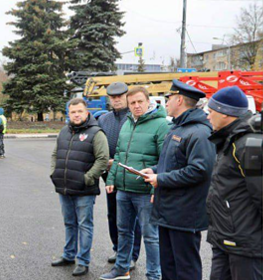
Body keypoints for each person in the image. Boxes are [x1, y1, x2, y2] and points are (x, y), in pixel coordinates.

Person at [141, 80, 216, 280]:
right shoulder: (178, 128)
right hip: (169, 210)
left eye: (169, 98)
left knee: (185, 268)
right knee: (169, 265)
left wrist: (161, 179)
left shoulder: (199, 132)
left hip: (184, 213)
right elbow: (175, 163)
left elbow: (199, 170)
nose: (166, 102)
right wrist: (155, 171)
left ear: (179, 100)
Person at [100, 87, 169, 280]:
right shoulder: (128, 124)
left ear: (148, 102)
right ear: (128, 105)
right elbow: (120, 155)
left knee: (151, 236)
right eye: (133, 103)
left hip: (146, 191)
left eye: (140, 101)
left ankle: (154, 275)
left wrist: (158, 181)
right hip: (123, 189)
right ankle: (122, 269)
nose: (136, 106)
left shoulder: (161, 125)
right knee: (124, 231)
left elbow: (166, 159)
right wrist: (112, 179)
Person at [206, 87, 262, 280]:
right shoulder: (230, 140)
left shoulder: (247, 144)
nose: (208, 117)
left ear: (225, 113)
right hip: (225, 239)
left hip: (245, 244)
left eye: (210, 112)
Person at [50, 98, 109, 277]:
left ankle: (83, 261)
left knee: (84, 225)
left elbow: (103, 159)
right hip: (64, 187)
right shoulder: (64, 131)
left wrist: (88, 178)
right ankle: (68, 255)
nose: (76, 115)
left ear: (86, 112)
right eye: (73, 112)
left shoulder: (96, 133)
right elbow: (55, 154)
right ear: (69, 113)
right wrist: (54, 173)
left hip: (84, 190)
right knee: (69, 223)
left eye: (79, 111)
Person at [96, 82, 141, 266]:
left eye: (120, 96)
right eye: (113, 97)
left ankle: (132, 254)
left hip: (129, 176)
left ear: (126, 97)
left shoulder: (135, 118)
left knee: (131, 218)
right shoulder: (103, 120)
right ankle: (118, 249)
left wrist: (119, 162)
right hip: (109, 176)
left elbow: (140, 148)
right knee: (113, 215)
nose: (116, 99)